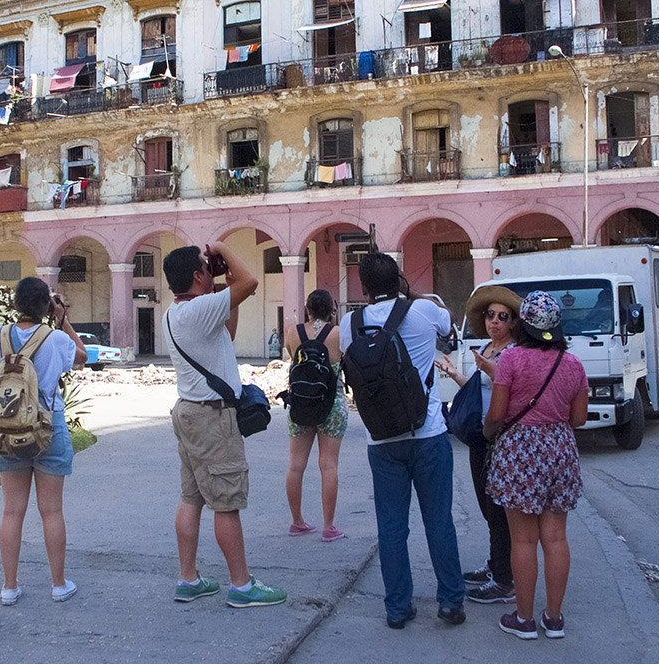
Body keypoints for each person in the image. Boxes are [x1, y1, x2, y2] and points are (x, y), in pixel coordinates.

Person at [339, 252, 467, 629]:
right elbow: (448, 328)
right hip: (427, 433)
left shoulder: (351, 322)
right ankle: (450, 602)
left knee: (392, 527)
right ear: (398, 278)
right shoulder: (424, 311)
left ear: (362, 287)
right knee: (439, 521)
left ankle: (397, 608)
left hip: (381, 439)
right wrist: (413, 294)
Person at [162, 243, 286, 608]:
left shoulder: (179, 312)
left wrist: (220, 282)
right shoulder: (198, 309)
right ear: (198, 275)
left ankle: (188, 579)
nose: (211, 267)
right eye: (206, 266)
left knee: (191, 497)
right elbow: (250, 282)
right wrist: (224, 250)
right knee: (226, 502)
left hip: (189, 412)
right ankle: (242, 586)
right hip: (212, 418)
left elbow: (228, 332)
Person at [484, 291, 588, 641]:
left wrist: (488, 432)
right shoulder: (573, 364)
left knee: (523, 541)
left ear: (522, 323)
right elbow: (579, 418)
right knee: (556, 538)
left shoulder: (511, 359)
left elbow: (497, 414)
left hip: (519, 451)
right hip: (560, 449)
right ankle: (554, 619)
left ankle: (524, 619)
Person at [0, 277, 88, 606]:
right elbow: (82, 356)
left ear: (15, 304)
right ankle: (59, 584)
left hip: (7, 427)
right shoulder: (55, 338)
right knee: (51, 512)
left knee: (11, 512)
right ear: (47, 305)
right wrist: (62, 319)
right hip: (48, 428)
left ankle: (9, 587)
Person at [435, 284, 523, 605]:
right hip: (480, 438)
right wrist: (456, 374)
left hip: (501, 439)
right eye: (490, 315)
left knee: (499, 511)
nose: (495, 321)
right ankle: (496, 566)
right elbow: (477, 389)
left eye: (502, 316)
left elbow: (514, 384)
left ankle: (505, 580)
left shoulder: (513, 352)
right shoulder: (487, 348)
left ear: (514, 322)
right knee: (489, 509)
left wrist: (491, 369)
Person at [283, 289, 348, 542]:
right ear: (331, 310)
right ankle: (329, 527)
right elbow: (344, 360)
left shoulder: (292, 332)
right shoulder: (338, 333)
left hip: (299, 403)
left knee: (295, 465)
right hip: (332, 403)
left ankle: (297, 521)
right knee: (329, 465)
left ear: (307, 309)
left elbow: (292, 358)